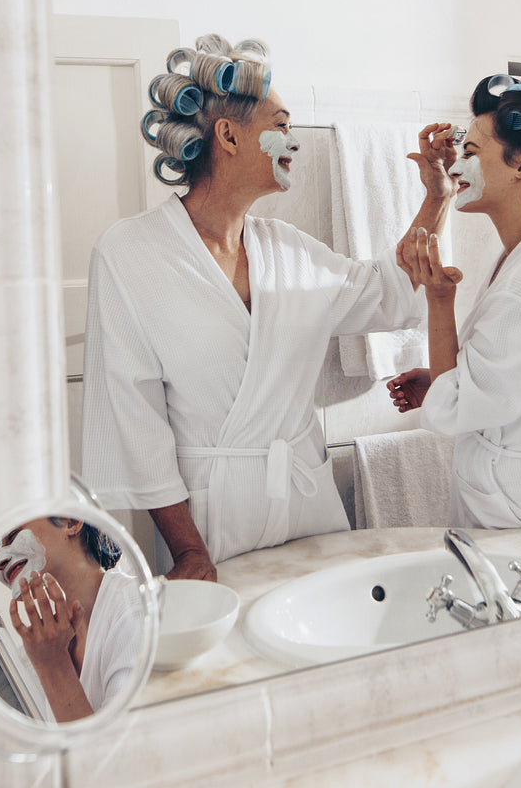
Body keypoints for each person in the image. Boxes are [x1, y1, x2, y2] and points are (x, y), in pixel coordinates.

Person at [80, 35, 450, 579]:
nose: (293, 141)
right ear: (228, 136)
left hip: (310, 508)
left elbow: (388, 291)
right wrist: (188, 551)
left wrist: (438, 197)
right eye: (281, 125)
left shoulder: (289, 251)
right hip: (211, 522)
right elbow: (134, 420)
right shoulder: (131, 253)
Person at [389, 72, 521, 529]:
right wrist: (450, 377)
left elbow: (451, 413)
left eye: (470, 153)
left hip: (519, 505)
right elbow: (516, 383)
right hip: (519, 492)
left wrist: (439, 299)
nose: (456, 169)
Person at [0, 516, 144, 723]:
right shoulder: (53, 641)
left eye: (13, 535)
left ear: (71, 522)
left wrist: (54, 666)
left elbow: (119, 742)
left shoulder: (135, 606)